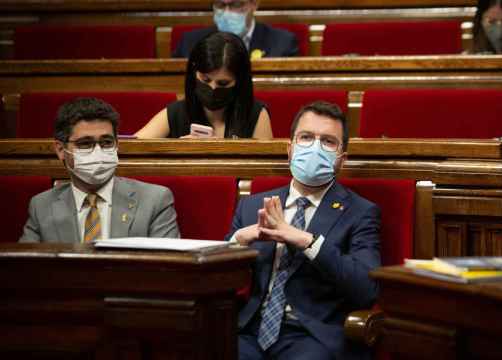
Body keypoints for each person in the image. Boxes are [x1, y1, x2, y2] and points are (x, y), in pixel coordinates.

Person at [226, 101, 380, 359]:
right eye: (306, 137)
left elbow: (366, 289)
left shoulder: (360, 212)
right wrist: (237, 241)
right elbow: (218, 279)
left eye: (328, 142)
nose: (315, 148)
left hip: (311, 337)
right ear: (290, 149)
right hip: (249, 330)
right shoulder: (252, 204)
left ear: (342, 159)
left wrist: (307, 241)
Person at [20, 97, 180, 243]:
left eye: (106, 142)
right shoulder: (41, 206)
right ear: (61, 150)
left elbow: (166, 269)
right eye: (85, 143)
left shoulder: (155, 200)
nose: (98, 151)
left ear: (117, 144)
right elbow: (26, 270)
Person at [135, 32, 272, 139]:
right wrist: (177, 149)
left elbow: (264, 172)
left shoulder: (256, 114)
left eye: (222, 83)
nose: (212, 88)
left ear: (239, 82)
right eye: (205, 80)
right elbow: (130, 148)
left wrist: (220, 150)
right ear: (194, 73)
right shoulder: (176, 112)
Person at [172, 0, 298, 59]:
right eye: (220, 5)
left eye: (236, 5)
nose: (227, 12)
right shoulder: (190, 43)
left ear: (254, 4)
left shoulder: (282, 43)